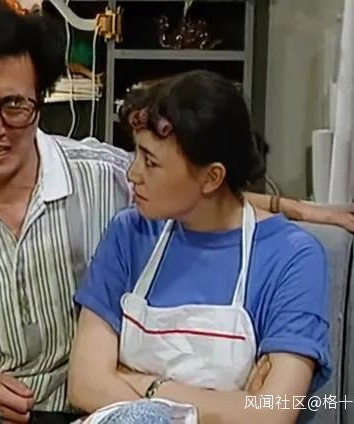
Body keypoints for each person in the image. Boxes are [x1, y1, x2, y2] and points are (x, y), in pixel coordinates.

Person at [0, 2, 354, 424]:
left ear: (40, 102)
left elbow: (196, 189)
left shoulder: (104, 181)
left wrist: (292, 207)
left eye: (14, 106)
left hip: (72, 410)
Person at [68, 71, 331, 424]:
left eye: (151, 162)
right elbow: (86, 385)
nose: (133, 174)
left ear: (212, 177)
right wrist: (226, 405)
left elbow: (271, 413)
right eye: (136, 154)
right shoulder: (129, 233)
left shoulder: (293, 257)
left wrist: (144, 383)